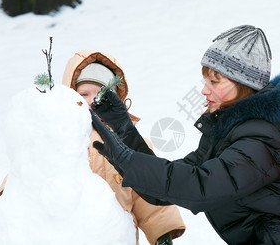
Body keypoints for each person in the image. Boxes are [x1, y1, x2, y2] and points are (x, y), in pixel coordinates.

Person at [90, 25, 280, 244]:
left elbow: (201, 187)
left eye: (214, 81)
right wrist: (124, 130)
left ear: (243, 84)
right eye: (206, 80)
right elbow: (167, 185)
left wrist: (129, 161)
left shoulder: (263, 138)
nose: (204, 90)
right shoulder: (231, 129)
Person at [61, 50, 186, 245]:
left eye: (101, 93)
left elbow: (150, 191)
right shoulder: (58, 139)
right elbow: (28, 172)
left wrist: (163, 233)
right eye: (84, 94)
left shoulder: (130, 142)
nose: (93, 101)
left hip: (119, 237)